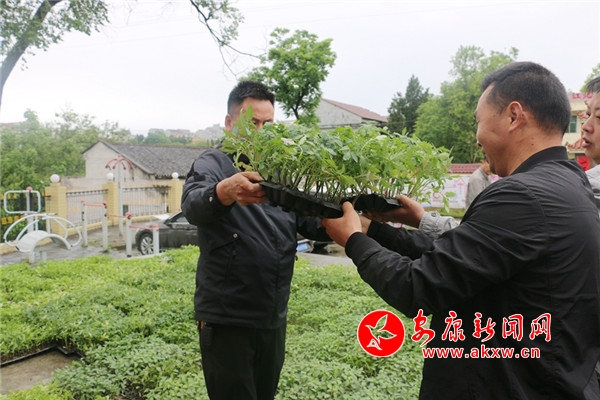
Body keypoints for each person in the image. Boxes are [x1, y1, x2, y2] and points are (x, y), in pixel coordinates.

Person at [322, 62, 600, 399]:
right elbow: (465, 261)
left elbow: (418, 287)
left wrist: (354, 240)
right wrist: (378, 232)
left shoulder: (521, 196)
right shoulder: (570, 185)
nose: (477, 137)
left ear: (513, 116)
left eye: (479, 121)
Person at [181, 81, 330, 400]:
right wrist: (224, 191)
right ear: (230, 122)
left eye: (268, 123)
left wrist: (355, 215)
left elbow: (310, 221)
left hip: (272, 316)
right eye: (253, 123)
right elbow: (193, 205)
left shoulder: (279, 171)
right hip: (227, 318)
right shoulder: (213, 163)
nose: (261, 131)